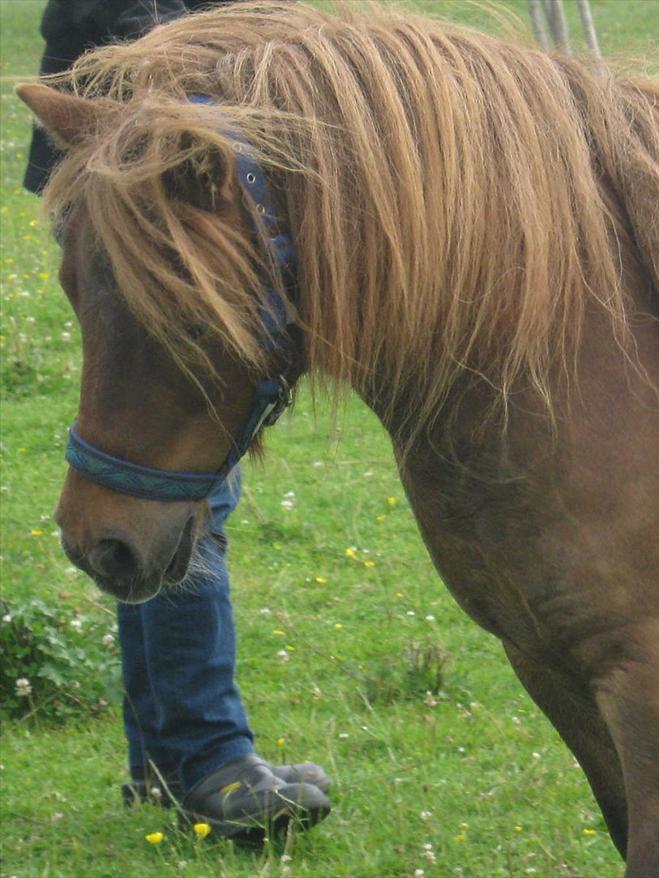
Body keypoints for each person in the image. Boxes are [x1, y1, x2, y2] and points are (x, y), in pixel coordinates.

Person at [25, 0, 331, 844]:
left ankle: (166, 754)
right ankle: (206, 758)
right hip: (166, 137)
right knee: (182, 476)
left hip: (158, 122)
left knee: (163, 459)